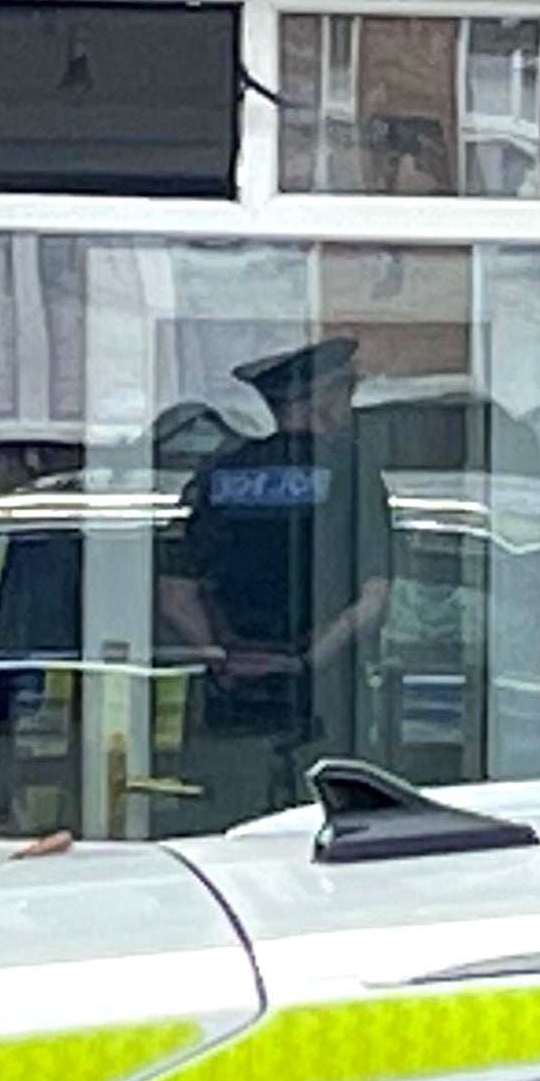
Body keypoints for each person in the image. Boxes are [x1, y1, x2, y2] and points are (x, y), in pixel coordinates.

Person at [159, 334, 402, 816]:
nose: (349, 406)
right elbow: (373, 597)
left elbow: (175, 592)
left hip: (228, 703)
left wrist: (228, 658)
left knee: (230, 832)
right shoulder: (350, 473)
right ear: (320, 400)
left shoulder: (219, 472)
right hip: (325, 702)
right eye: (345, 392)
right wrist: (306, 661)